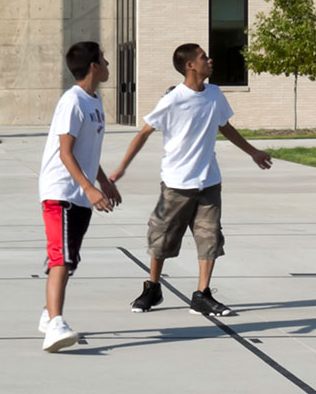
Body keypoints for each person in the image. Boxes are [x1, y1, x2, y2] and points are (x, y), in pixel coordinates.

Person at [108, 43, 274, 317]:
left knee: (210, 237)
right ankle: (152, 288)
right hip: (176, 183)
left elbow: (226, 127)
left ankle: (202, 295)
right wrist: (122, 167)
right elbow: (144, 132)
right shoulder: (174, 99)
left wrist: (253, 152)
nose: (210, 60)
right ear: (190, 66)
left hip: (209, 181)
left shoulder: (214, 94)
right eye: (203, 57)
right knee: (162, 236)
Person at [36, 41, 118, 353]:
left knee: (68, 261)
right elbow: (66, 152)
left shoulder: (93, 101)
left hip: (80, 192)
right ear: (93, 67)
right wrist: (88, 187)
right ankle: (55, 324)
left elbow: (85, 151)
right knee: (61, 259)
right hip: (61, 191)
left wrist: (102, 181)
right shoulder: (72, 102)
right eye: (104, 59)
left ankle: (48, 314)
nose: (108, 63)